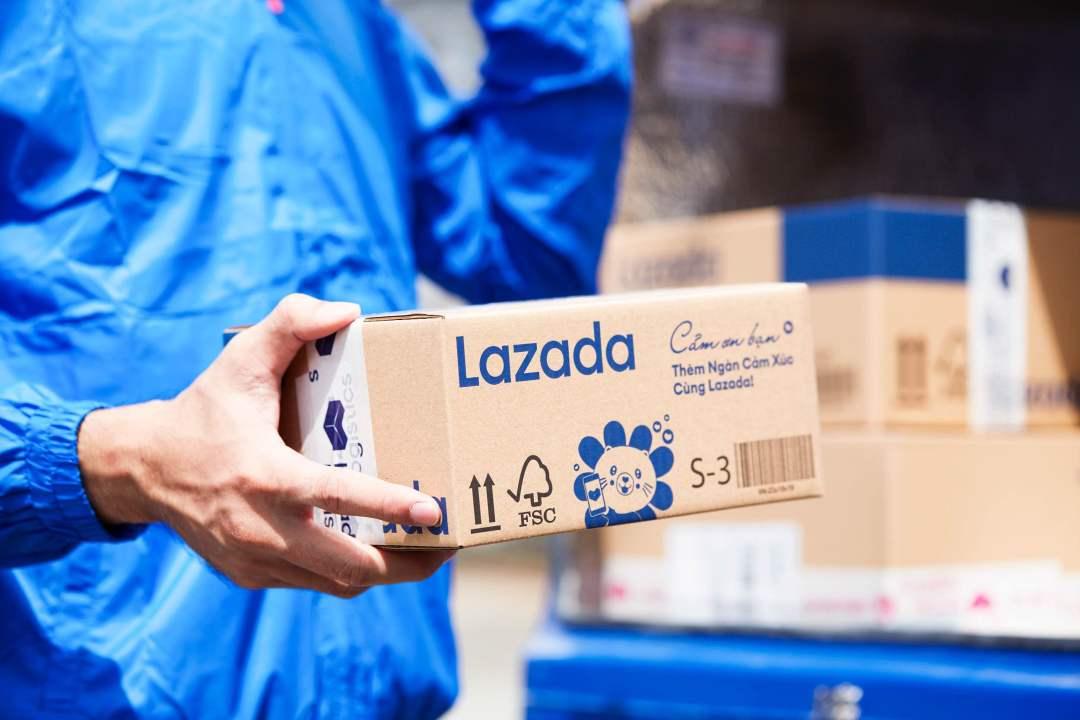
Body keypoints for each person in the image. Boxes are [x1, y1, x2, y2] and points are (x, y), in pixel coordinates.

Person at [0, 0, 631, 717]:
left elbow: (529, 263)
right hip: (105, 693)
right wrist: (120, 464)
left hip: (381, 692)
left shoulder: (346, 21)